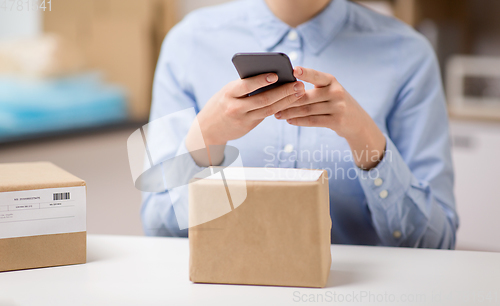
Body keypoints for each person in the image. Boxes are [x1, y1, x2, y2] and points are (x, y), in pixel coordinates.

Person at [141, 0, 458, 249]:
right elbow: (158, 229)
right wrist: (206, 139)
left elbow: (436, 243)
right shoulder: (188, 43)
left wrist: (367, 140)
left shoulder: (408, 53)